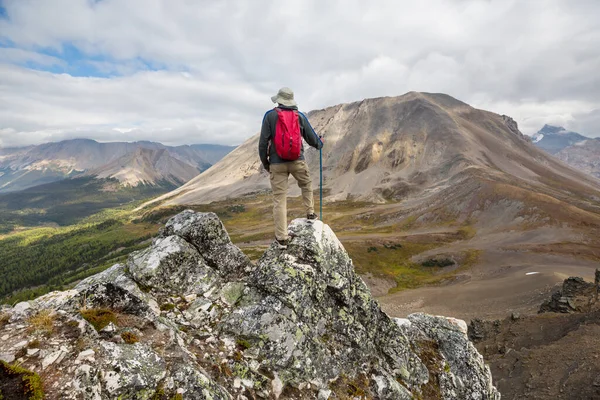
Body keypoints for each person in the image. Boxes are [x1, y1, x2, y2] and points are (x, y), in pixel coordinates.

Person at [258, 87, 323, 249]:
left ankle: (281, 238)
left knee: (279, 198)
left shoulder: (270, 116)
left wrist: (267, 163)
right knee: (306, 184)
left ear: (279, 100)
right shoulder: (299, 116)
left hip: (276, 163)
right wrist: (320, 144)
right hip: (297, 161)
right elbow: (312, 138)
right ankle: (310, 213)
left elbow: (262, 143)